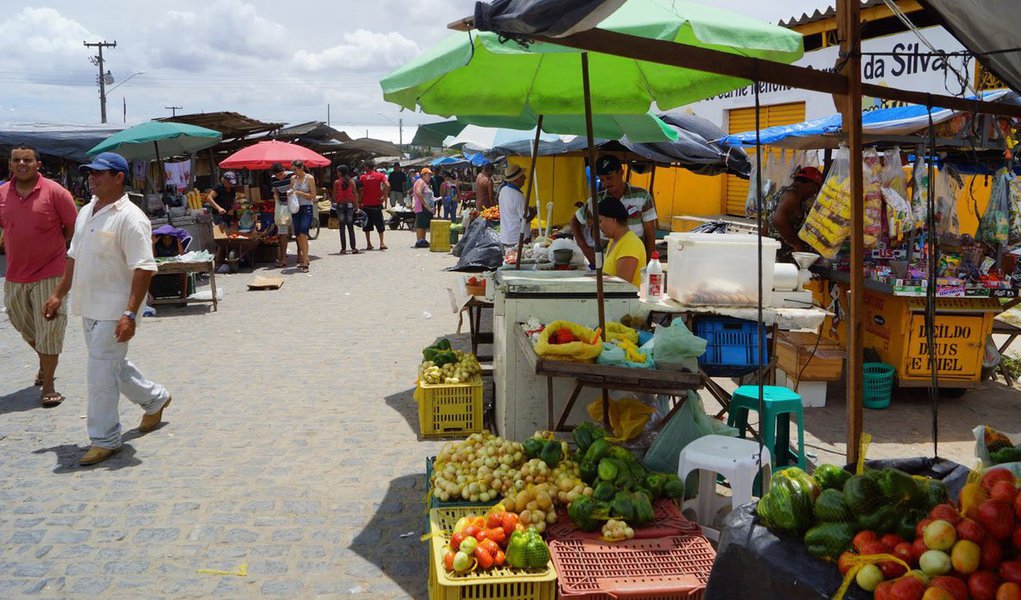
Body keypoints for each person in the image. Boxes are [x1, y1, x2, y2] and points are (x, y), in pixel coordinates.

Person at [43, 152, 172, 466]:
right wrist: (59, 294)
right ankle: (155, 398)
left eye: (99, 173)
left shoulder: (131, 218)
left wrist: (130, 313)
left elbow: (144, 268)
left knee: (100, 373)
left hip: (116, 308)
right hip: (89, 304)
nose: (92, 178)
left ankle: (105, 439)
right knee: (112, 365)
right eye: (90, 173)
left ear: (119, 177)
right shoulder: (87, 210)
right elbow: (73, 256)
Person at [0, 146, 77, 408]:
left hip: (50, 272)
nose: (22, 164)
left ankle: (49, 386)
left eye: (27, 160)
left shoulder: (56, 192)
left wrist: (52, 245)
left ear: (38, 165)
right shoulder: (2, 193)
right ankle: (45, 361)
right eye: (17, 160)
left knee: (49, 328)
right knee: (20, 321)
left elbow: (71, 227)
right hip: (15, 274)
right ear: (10, 165)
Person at [571, 155, 657, 266]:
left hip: (633, 259)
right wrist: (584, 248)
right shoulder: (596, 201)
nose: (605, 183)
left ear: (621, 173)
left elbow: (650, 233)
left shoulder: (642, 197)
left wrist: (649, 264)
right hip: (604, 261)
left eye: (609, 178)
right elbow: (575, 221)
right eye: (602, 179)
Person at [770, 165, 823, 260]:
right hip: (784, 257)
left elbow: (766, 224)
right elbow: (777, 218)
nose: (813, 195)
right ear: (812, 185)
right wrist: (797, 244)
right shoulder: (793, 196)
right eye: (815, 191)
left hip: (771, 253)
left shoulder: (780, 193)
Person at [598, 196, 646, 288]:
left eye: (600, 221)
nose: (599, 226)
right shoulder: (613, 241)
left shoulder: (630, 244)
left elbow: (622, 286)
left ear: (613, 219)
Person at [498, 164, 534, 251]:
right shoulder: (518, 196)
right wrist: (534, 212)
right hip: (517, 239)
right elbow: (525, 219)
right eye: (522, 176)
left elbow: (512, 210)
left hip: (505, 237)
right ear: (516, 180)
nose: (525, 178)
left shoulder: (503, 191)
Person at [289, 160, 316, 273]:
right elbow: (291, 191)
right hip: (296, 208)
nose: (293, 171)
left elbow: (313, 196)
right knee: (298, 235)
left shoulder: (309, 178)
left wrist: (301, 194)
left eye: (294, 169)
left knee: (304, 234)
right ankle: (305, 256)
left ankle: (305, 261)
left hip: (306, 207)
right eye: (292, 169)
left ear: (301, 168)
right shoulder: (292, 179)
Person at [358, 164, 389, 250]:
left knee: (366, 226)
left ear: (367, 167)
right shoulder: (380, 176)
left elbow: (360, 190)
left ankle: (369, 243)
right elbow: (387, 185)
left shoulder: (362, 177)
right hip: (377, 205)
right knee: (380, 225)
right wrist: (384, 196)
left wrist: (359, 201)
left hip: (366, 205)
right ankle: (381, 243)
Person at [332, 165, 360, 254]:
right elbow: (355, 194)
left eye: (338, 171)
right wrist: (357, 206)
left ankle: (343, 249)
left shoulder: (336, 182)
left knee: (342, 227)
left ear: (340, 172)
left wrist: (336, 201)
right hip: (350, 205)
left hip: (340, 205)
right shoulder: (351, 181)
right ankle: (353, 248)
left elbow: (334, 194)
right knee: (350, 227)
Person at [269, 163, 293, 268]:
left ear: (284, 170)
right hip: (282, 207)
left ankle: (300, 255)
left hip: (294, 207)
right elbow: (276, 190)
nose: (279, 177)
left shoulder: (292, 176)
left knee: (298, 233)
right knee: (282, 233)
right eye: (277, 175)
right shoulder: (273, 179)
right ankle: (283, 258)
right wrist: (275, 193)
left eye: (281, 174)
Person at [412, 168, 435, 248]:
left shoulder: (425, 183)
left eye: (430, 175)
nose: (430, 177)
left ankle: (423, 240)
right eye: (428, 175)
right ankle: (419, 241)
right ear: (423, 175)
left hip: (426, 207)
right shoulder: (420, 182)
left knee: (424, 224)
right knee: (420, 224)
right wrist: (425, 204)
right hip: (421, 206)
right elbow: (418, 192)